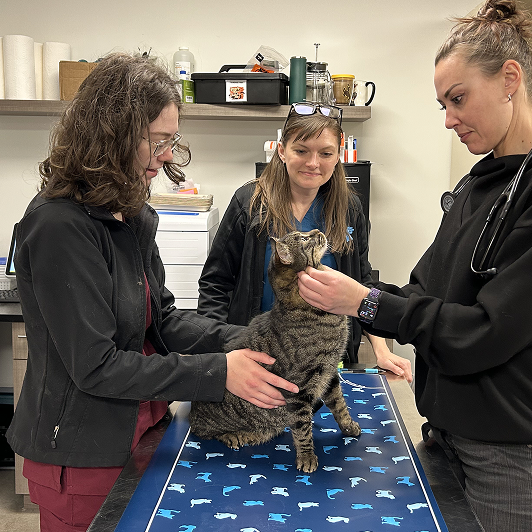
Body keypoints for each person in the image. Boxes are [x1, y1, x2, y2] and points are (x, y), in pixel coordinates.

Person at [6, 52, 298, 532]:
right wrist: (220, 372)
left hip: (144, 432)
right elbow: (95, 366)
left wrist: (244, 341)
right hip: (83, 457)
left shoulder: (129, 213)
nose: (166, 157)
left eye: (171, 141)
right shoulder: (60, 225)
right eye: (157, 141)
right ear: (113, 136)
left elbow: (160, 320)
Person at [297, 2, 532, 531]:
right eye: (442, 104)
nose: (448, 118)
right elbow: (425, 290)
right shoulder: (477, 185)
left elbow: (484, 332)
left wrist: (362, 301)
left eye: (458, 98)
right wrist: (348, 297)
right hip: (444, 434)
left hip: (508, 458)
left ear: (510, 79)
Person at [197, 102, 412, 381]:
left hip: (326, 364)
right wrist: (221, 355)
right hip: (257, 358)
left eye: (325, 153)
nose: (313, 163)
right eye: (301, 151)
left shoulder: (349, 208)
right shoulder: (249, 203)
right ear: (282, 149)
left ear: (339, 154)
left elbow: (362, 284)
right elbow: (216, 284)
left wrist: (381, 348)